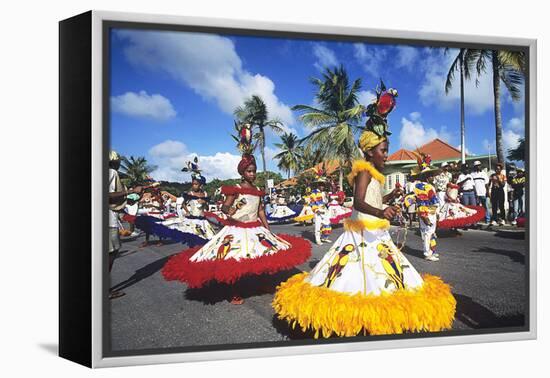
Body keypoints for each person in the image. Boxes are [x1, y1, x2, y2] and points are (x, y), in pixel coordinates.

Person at [273, 84, 455, 337]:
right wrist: (381, 213)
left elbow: (373, 200)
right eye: (383, 151)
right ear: (369, 152)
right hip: (361, 233)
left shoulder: (375, 175)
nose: (386, 155)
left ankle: (375, 319)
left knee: (384, 276)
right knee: (356, 277)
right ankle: (360, 320)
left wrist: (390, 197)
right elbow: (358, 203)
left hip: (376, 233)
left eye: (386, 150)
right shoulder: (363, 171)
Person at [162, 127, 311, 305]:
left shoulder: (257, 190)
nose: (253, 174)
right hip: (237, 229)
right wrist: (228, 211)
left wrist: (267, 228)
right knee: (235, 261)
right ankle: (234, 291)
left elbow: (261, 210)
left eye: (254, 171)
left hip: (255, 228)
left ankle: (263, 283)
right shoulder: (236, 189)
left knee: (262, 256)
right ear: (242, 173)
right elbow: (225, 206)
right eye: (249, 171)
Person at [108, 150, 142, 299]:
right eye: (119, 161)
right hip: (108, 220)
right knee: (111, 252)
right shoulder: (111, 172)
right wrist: (131, 190)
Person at [407, 153, 442, 261]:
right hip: (426, 213)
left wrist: (436, 214)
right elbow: (421, 203)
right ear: (426, 177)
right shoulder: (421, 187)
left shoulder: (429, 186)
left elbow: (434, 201)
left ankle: (432, 250)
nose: (433, 177)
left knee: (431, 233)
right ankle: (427, 253)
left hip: (431, 212)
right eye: (431, 175)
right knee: (427, 233)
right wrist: (424, 216)